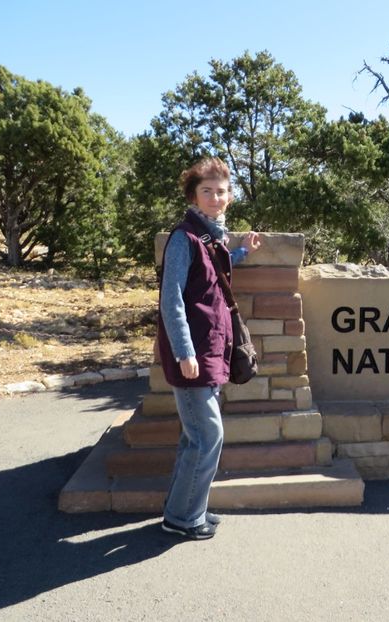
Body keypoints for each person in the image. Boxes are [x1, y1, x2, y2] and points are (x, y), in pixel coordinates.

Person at [156, 157, 260, 540]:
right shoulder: (184, 238)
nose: (215, 197)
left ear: (230, 197)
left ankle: (187, 510)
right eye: (207, 191)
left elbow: (212, 274)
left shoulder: (209, 237)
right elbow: (172, 300)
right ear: (193, 196)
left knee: (194, 438)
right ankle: (183, 519)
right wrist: (184, 352)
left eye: (221, 191)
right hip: (194, 355)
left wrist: (242, 252)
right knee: (208, 436)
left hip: (210, 351)